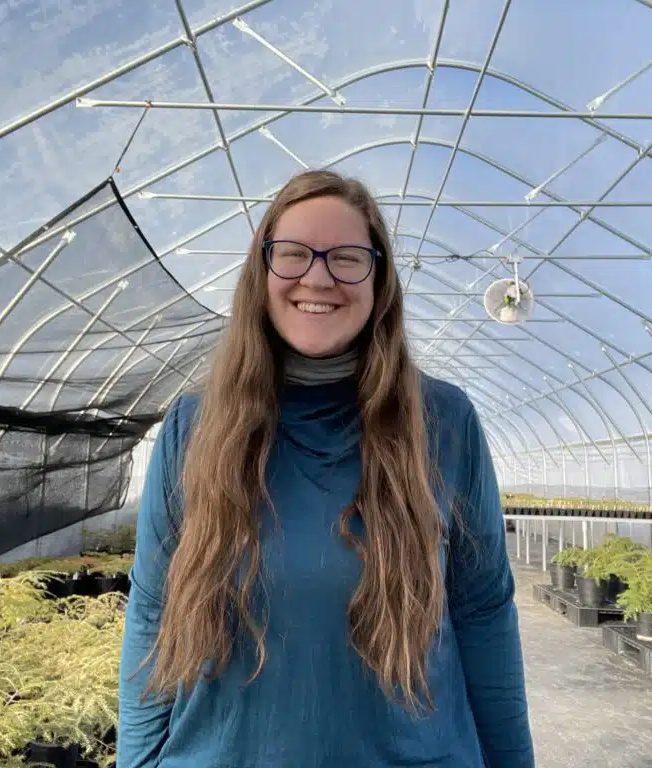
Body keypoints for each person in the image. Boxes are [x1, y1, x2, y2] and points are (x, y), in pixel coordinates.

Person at [117, 169, 534, 767]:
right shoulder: (194, 427)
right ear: (261, 274)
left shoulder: (442, 422)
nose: (318, 277)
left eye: (347, 258)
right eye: (292, 255)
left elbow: (483, 609)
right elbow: (153, 612)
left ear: (380, 279)